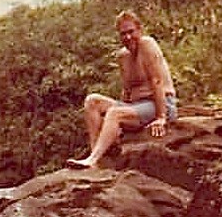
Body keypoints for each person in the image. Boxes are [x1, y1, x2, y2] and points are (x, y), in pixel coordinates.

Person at [66, 11, 177, 169]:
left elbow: (156, 81)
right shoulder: (123, 56)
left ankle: (92, 159)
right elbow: (127, 92)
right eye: (123, 34)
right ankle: (96, 156)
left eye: (131, 32)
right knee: (92, 101)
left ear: (140, 30)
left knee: (114, 113)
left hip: (161, 103)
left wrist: (161, 117)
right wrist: (116, 125)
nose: (128, 37)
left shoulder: (147, 44)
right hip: (136, 106)